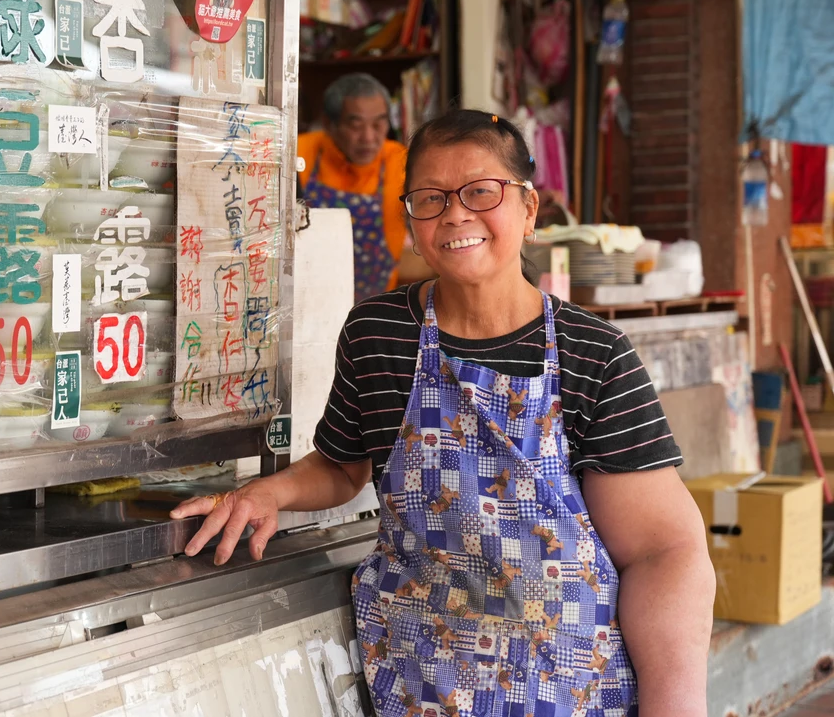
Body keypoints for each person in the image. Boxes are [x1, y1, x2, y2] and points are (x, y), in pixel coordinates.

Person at [174, 110, 714, 716]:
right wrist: (266, 492)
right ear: (410, 220)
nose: (455, 214)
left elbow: (663, 552)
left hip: (568, 693)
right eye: (430, 198)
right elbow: (343, 464)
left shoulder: (595, 356)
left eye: (481, 192)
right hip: (423, 686)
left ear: (529, 210)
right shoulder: (379, 333)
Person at [299, 73, 431, 301]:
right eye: (356, 126)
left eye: (379, 124)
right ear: (330, 125)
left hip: (375, 309)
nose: (369, 137)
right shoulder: (299, 153)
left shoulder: (401, 162)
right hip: (306, 301)